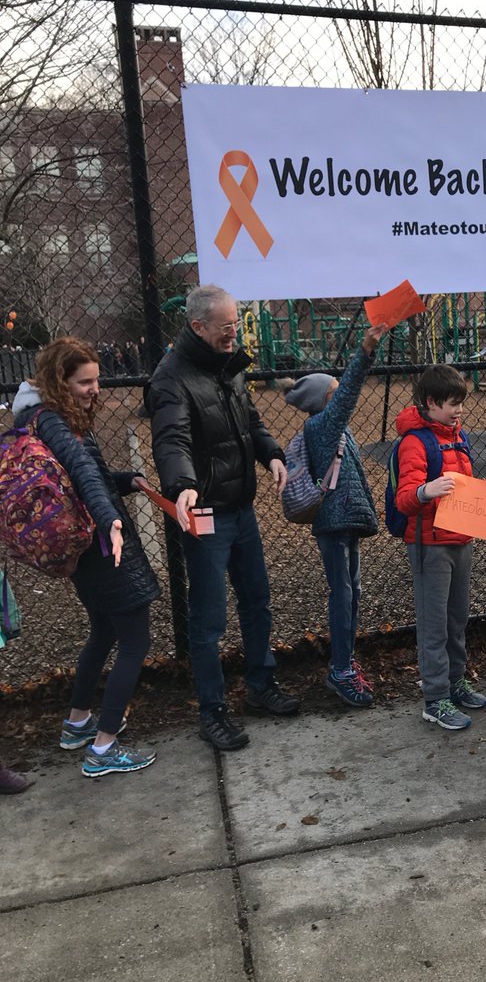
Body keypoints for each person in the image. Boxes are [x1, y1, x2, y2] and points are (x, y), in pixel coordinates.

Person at [145, 283, 298, 752]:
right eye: (227, 327)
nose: (235, 334)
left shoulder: (228, 367)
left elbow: (249, 420)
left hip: (241, 509)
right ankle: (211, 711)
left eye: (236, 325)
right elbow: (171, 439)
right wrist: (182, 485)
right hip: (206, 513)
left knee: (257, 600)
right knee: (209, 620)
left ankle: (259, 684)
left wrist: (270, 453)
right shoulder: (171, 378)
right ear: (198, 326)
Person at [12, 338, 158, 777]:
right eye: (84, 382)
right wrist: (111, 518)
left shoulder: (38, 416)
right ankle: (103, 748)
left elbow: (85, 474)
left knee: (104, 630)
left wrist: (123, 480)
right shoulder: (54, 421)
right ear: (60, 382)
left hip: (84, 543)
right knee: (135, 640)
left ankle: (77, 723)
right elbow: (81, 471)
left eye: (96, 379)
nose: (95, 389)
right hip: (99, 543)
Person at [284, 322, 388, 707]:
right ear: (325, 400)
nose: (341, 397)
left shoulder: (336, 432)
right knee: (342, 594)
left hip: (346, 522)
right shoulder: (323, 426)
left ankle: (346, 662)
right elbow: (347, 395)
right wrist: (365, 351)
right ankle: (340, 671)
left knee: (351, 592)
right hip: (333, 523)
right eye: (334, 392)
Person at [393, 364, 486, 731]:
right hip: (430, 544)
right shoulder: (416, 442)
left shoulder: (455, 436)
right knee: (434, 623)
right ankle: (435, 698)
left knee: (457, 618)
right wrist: (425, 491)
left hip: (460, 537)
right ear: (431, 403)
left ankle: (455, 682)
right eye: (453, 403)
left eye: (461, 403)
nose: (459, 410)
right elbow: (405, 499)